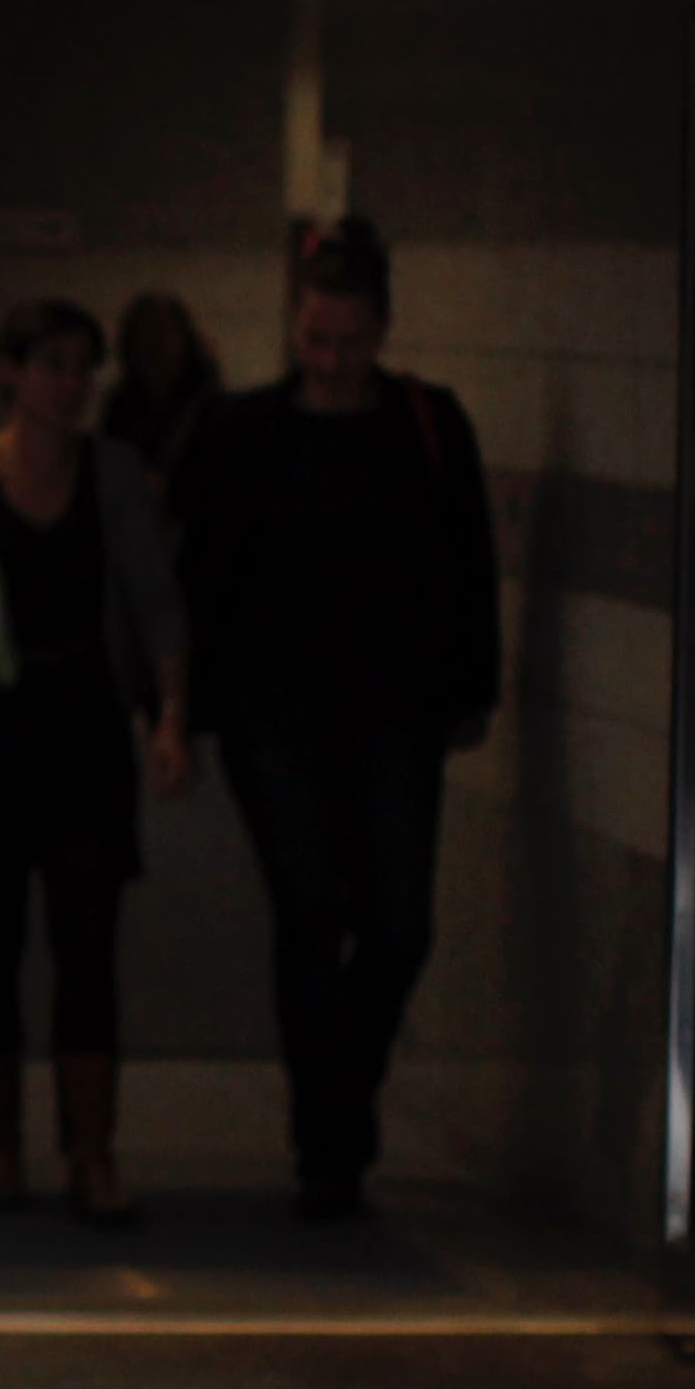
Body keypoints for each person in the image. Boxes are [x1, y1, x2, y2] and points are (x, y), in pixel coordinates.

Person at [171, 220, 500, 1224]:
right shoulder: (242, 431)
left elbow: (467, 560)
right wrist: (182, 705)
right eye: (316, 339)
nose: (331, 360)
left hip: (392, 708)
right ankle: (329, 1143)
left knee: (398, 925)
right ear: (295, 328)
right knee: (312, 910)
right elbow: (198, 569)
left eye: (350, 341)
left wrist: (471, 688)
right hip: (275, 711)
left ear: (382, 331)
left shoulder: (425, 424)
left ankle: (336, 1102)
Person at [0, 300, 192, 1224]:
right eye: (52, 363)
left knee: (87, 944)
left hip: (84, 729)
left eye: (83, 367)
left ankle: (92, 1150)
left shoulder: (111, 474)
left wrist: (169, 718)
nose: (71, 384)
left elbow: (156, 601)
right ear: (10, 372)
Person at [101, 289, 224, 479]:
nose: (152, 346)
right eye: (142, 336)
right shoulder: (121, 406)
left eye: (161, 333)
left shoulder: (209, 405)